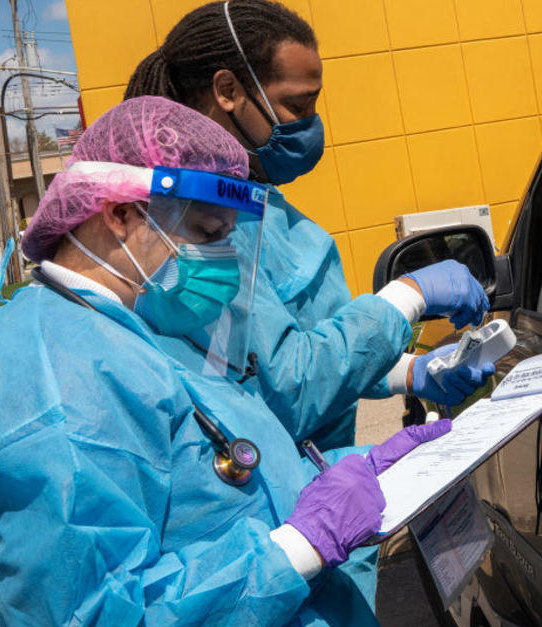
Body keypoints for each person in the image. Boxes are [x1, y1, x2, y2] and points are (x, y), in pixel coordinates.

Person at [0, 96, 454, 627]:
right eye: (208, 234)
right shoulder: (55, 376)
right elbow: (96, 614)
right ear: (120, 213)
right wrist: (302, 543)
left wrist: (351, 472)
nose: (223, 256)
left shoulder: (131, 325)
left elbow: (211, 481)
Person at [125, 0, 493, 451]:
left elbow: (316, 343)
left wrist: (412, 371)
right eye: (296, 104)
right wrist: (407, 296)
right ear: (227, 90)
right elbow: (283, 389)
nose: (311, 124)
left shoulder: (251, 196)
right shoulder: (193, 226)